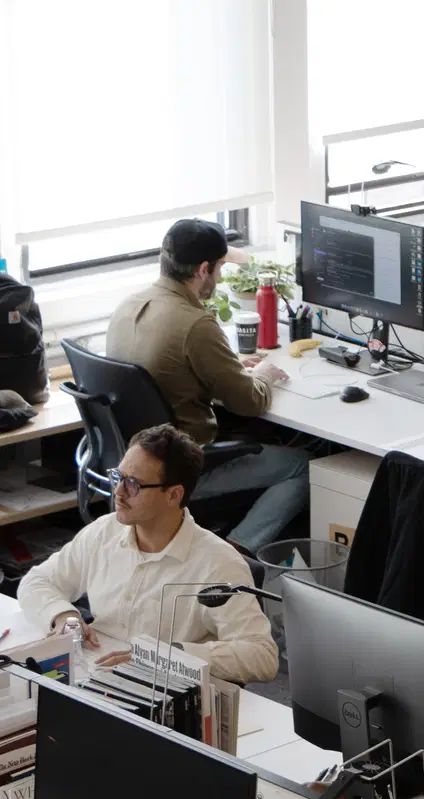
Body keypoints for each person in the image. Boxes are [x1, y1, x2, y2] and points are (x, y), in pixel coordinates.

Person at [106, 219, 308, 554]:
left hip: (134, 469)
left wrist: (227, 366)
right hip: (183, 472)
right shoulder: (195, 323)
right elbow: (250, 402)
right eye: (220, 268)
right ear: (203, 270)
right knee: (304, 466)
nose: (220, 277)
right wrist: (264, 374)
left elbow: (165, 373)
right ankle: (237, 553)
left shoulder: (127, 306)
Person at [17, 424, 278, 684]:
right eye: (118, 477)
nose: (118, 492)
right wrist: (65, 617)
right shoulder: (104, 531)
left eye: (133, 484)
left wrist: (167, 656)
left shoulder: (218, 563)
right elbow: (36, 581)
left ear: (173, 495)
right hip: (93, 674)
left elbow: (262, 655)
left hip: (159, 689)